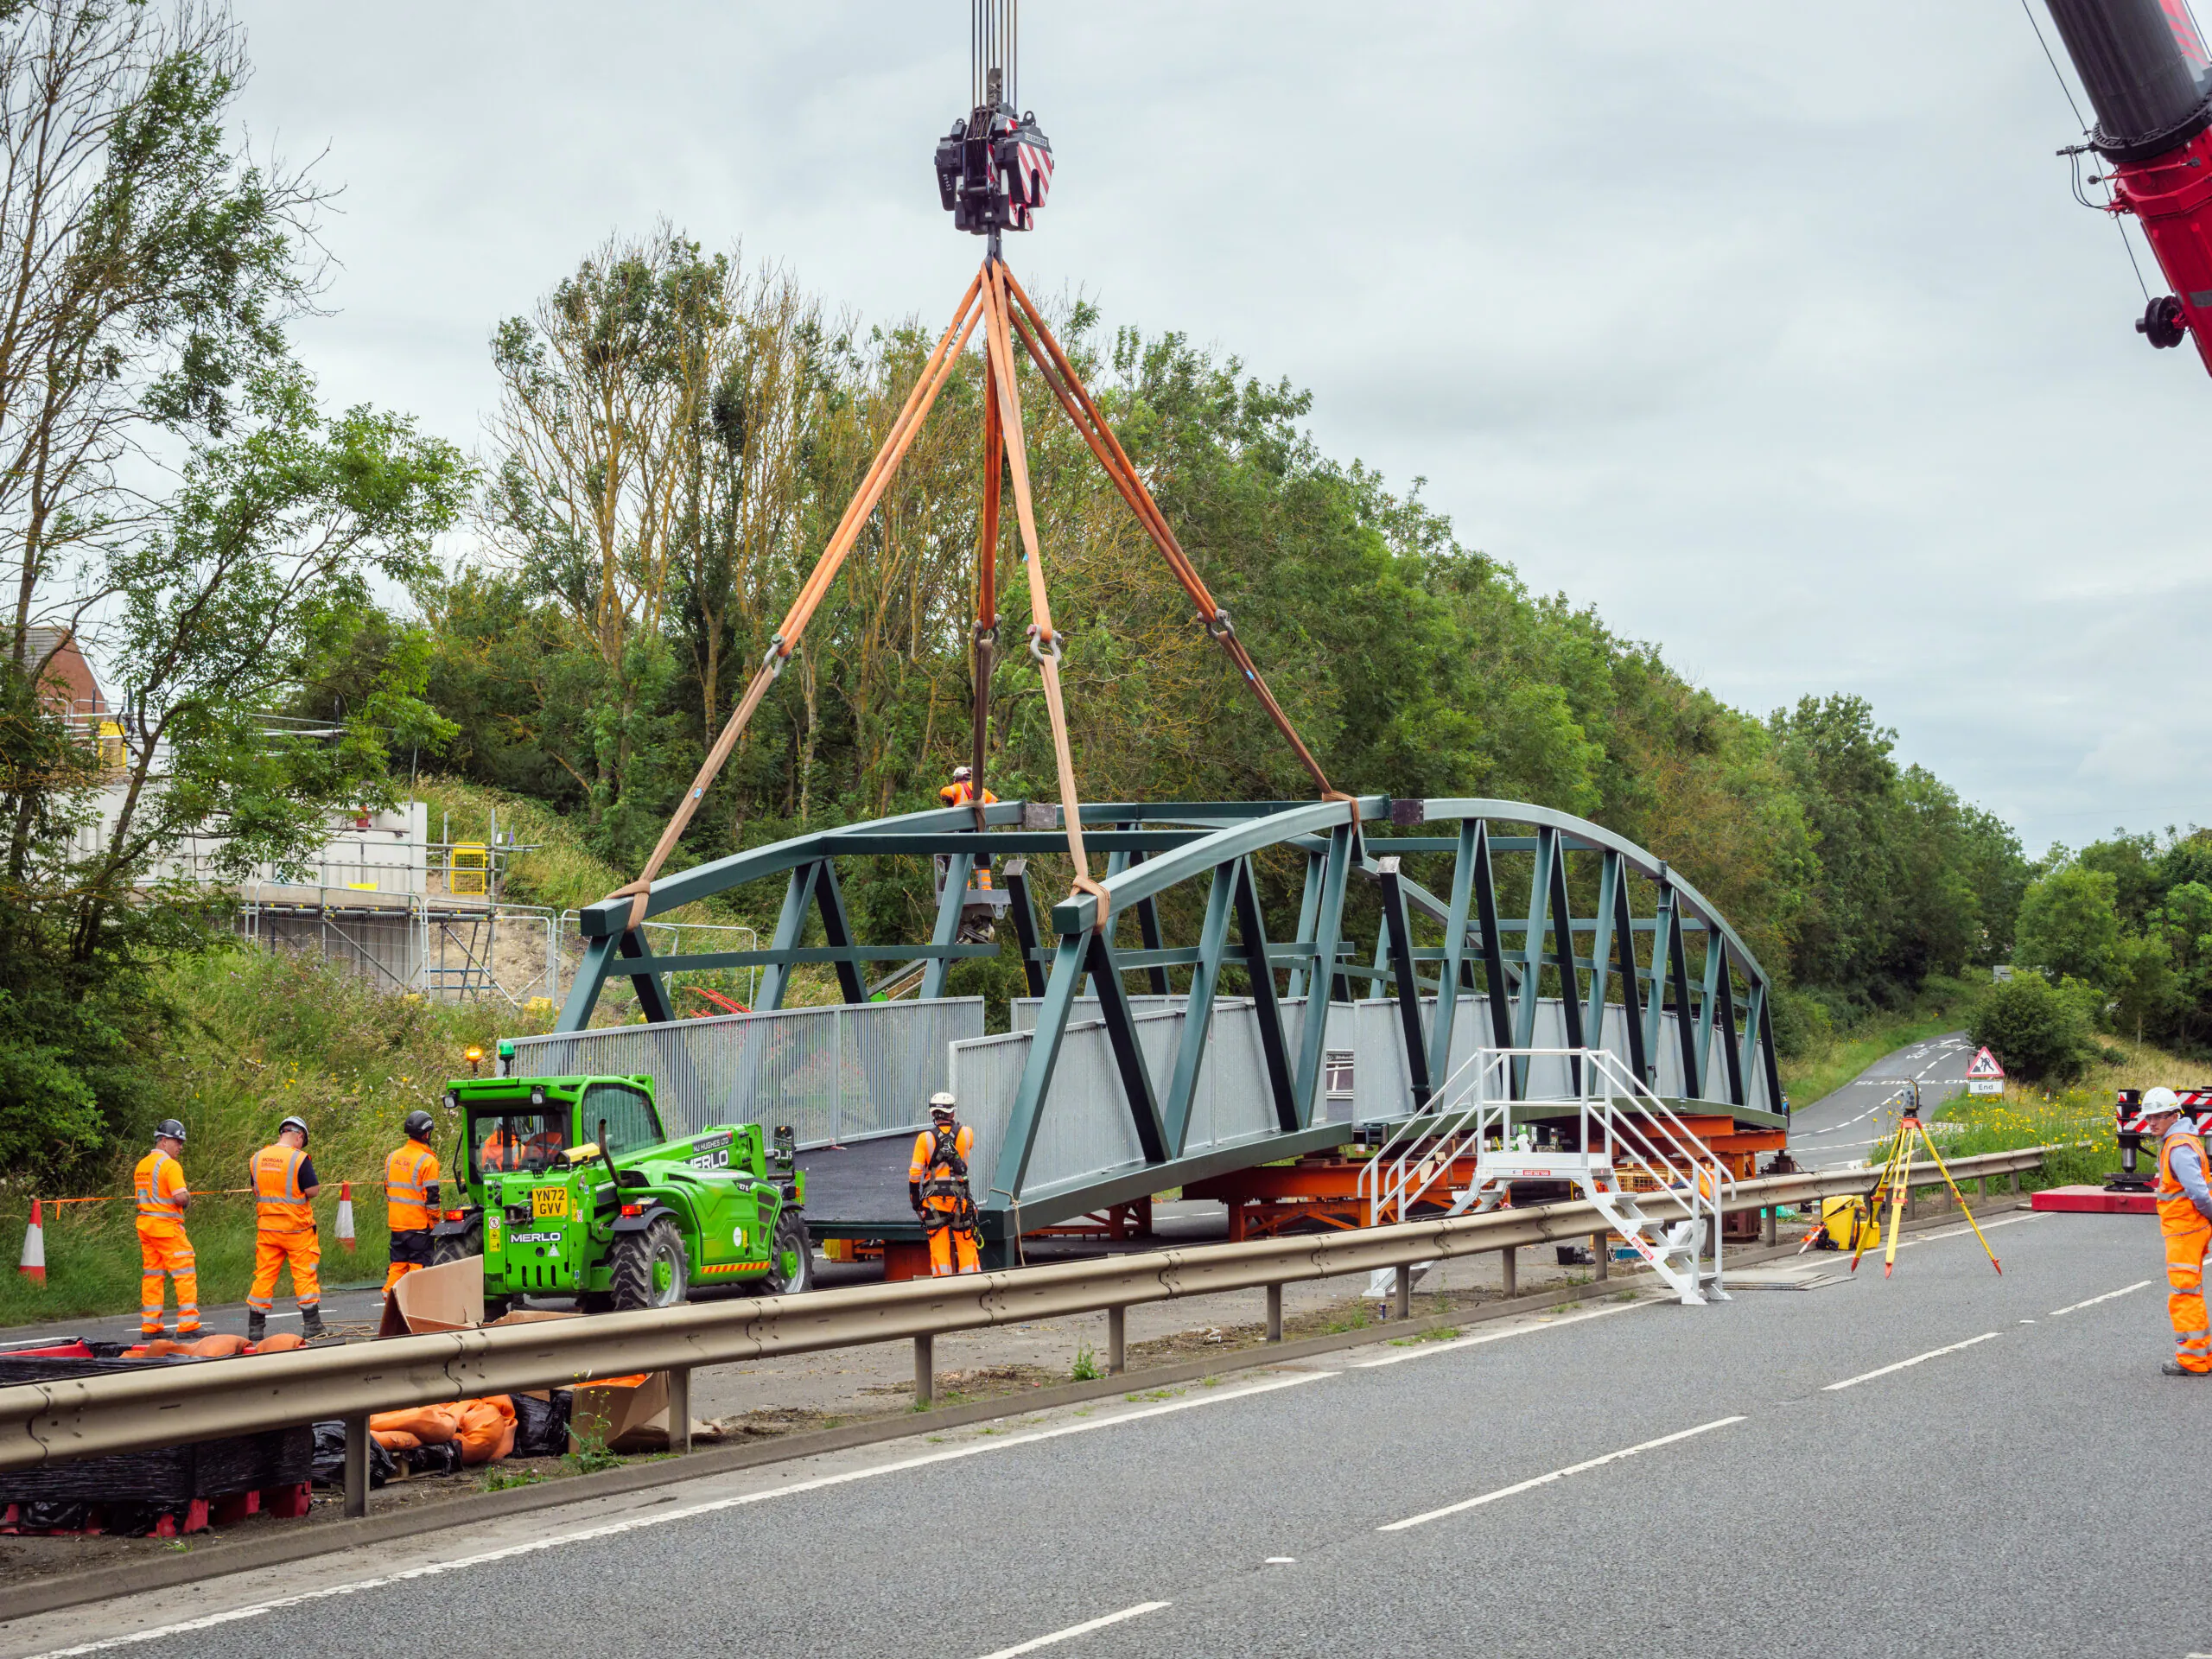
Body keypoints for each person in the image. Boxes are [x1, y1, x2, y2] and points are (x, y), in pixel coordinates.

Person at [2146, 1086, 2212, 1375]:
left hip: (2185, 1230)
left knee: (2184, 1294)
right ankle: (2203, 1356)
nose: (2151, 1123)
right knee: (2191, 1291)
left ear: (2175, 1115)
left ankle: (2193, 1360)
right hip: (2188, 1228)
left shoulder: (2178, 1147)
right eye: (2149, 1118)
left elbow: (2198, 1192)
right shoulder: (2182, 1141)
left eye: (2158, 1117)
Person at [247, 1115, 324, 1343]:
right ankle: (313, 1326)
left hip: (268, 1230)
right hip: (297, 1231)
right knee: (304, 1276)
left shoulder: (257, 1158)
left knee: (264, 1276)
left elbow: (256, 1190)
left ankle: (255, 1329)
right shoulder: (299, 1159)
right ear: (299, 1136)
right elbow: (313, 1191)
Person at [132, 1120, 198, 1339]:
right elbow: (180, 1197)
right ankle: (189, 1324)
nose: (181, 1146)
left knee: (153, 1275)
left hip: (146, 1226)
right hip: (167, 1228)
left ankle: (151, 1327)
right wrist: (188, 1200)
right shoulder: (170, 1165)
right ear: (163, 1141)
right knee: (185, 1272)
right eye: (177, 1141)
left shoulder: (142, 1165)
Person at [908, 1092, 981, 1276]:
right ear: (953, 1113)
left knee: (938, 1246)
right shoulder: (967, 1133)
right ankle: (972, 1284)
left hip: (933, 1202)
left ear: (932, 1114)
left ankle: (943, 1286)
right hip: (960, 1198)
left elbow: (915, 1173)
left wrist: (915, 1201)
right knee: (966, 1243)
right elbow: (966, 1151)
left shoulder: (924, 1139)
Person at [383, 1109, 442, 1300]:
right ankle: (415, 1304)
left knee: (398, 1265)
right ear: (426, 1134)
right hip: (418, 1227)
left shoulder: (392, 1158)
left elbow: (388, 1189)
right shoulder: (428, 1161)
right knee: (418, 1267)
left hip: (397, 1225)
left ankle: (389, 1295)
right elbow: (431, 1199)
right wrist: (435, 1223)